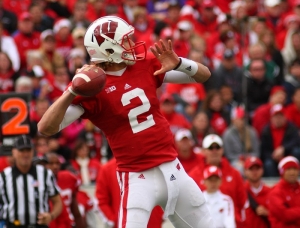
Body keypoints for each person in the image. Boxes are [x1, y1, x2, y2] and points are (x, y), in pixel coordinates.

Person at [38, 15, 214, 227]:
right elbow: (45, 128)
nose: (133, 44)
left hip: (173, 168)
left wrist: (179, 62)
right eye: (126, 41)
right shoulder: (91, 87)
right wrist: (71, 91)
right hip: (137, 179)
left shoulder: (145, 63)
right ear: (109, 50)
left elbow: (203, 76)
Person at [0, 135, 62, 227]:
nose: (25, 154)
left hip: (39, 225)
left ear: (33, 151)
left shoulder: (45, 174)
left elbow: (58, 202)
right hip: (12, 225)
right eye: (21, 150)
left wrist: (51, 216)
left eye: (28, 150)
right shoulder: (3, 177)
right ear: (13, 152)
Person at [188, 134, 248, 228]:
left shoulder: (234, 173)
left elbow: (243, 203)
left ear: (222, 150)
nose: (214, 151)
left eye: (217, 147)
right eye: (210, 148)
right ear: (203, 151)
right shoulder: (194, 175)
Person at [45, 152, 86, 228]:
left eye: (57, 163)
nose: (55, 166)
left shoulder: (68, 178)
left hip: (66, 223)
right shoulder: (38, 182)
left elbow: (75, 210)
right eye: (51, 163)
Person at [260, 104, 300, 177]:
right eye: (276, 116)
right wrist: (273, 155)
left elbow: (296, 141)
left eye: (280, 116)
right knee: (268, 164)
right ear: (271, 118)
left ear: (285, 117)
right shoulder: (266, 131)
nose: (278, 118)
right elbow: (264, 150)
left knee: (297, 151)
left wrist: (284, 149)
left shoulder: (292, 128)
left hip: (288, 155)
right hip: (273, 158)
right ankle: (273, 184)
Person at [267, 156, 300, 228]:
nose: (292, 172)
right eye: (288, 169)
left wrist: (293, 212)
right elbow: (285, 215)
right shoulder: (275, 192)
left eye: (294, 169)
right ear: (282, 172)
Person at [243, 157, 271, 228]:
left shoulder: (270, 192)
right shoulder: (241, 192)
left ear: (262, 170)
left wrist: (268, 213)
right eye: (251, 169)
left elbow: (278, 217)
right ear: (245, 171)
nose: (254, 172)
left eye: (257, 168)